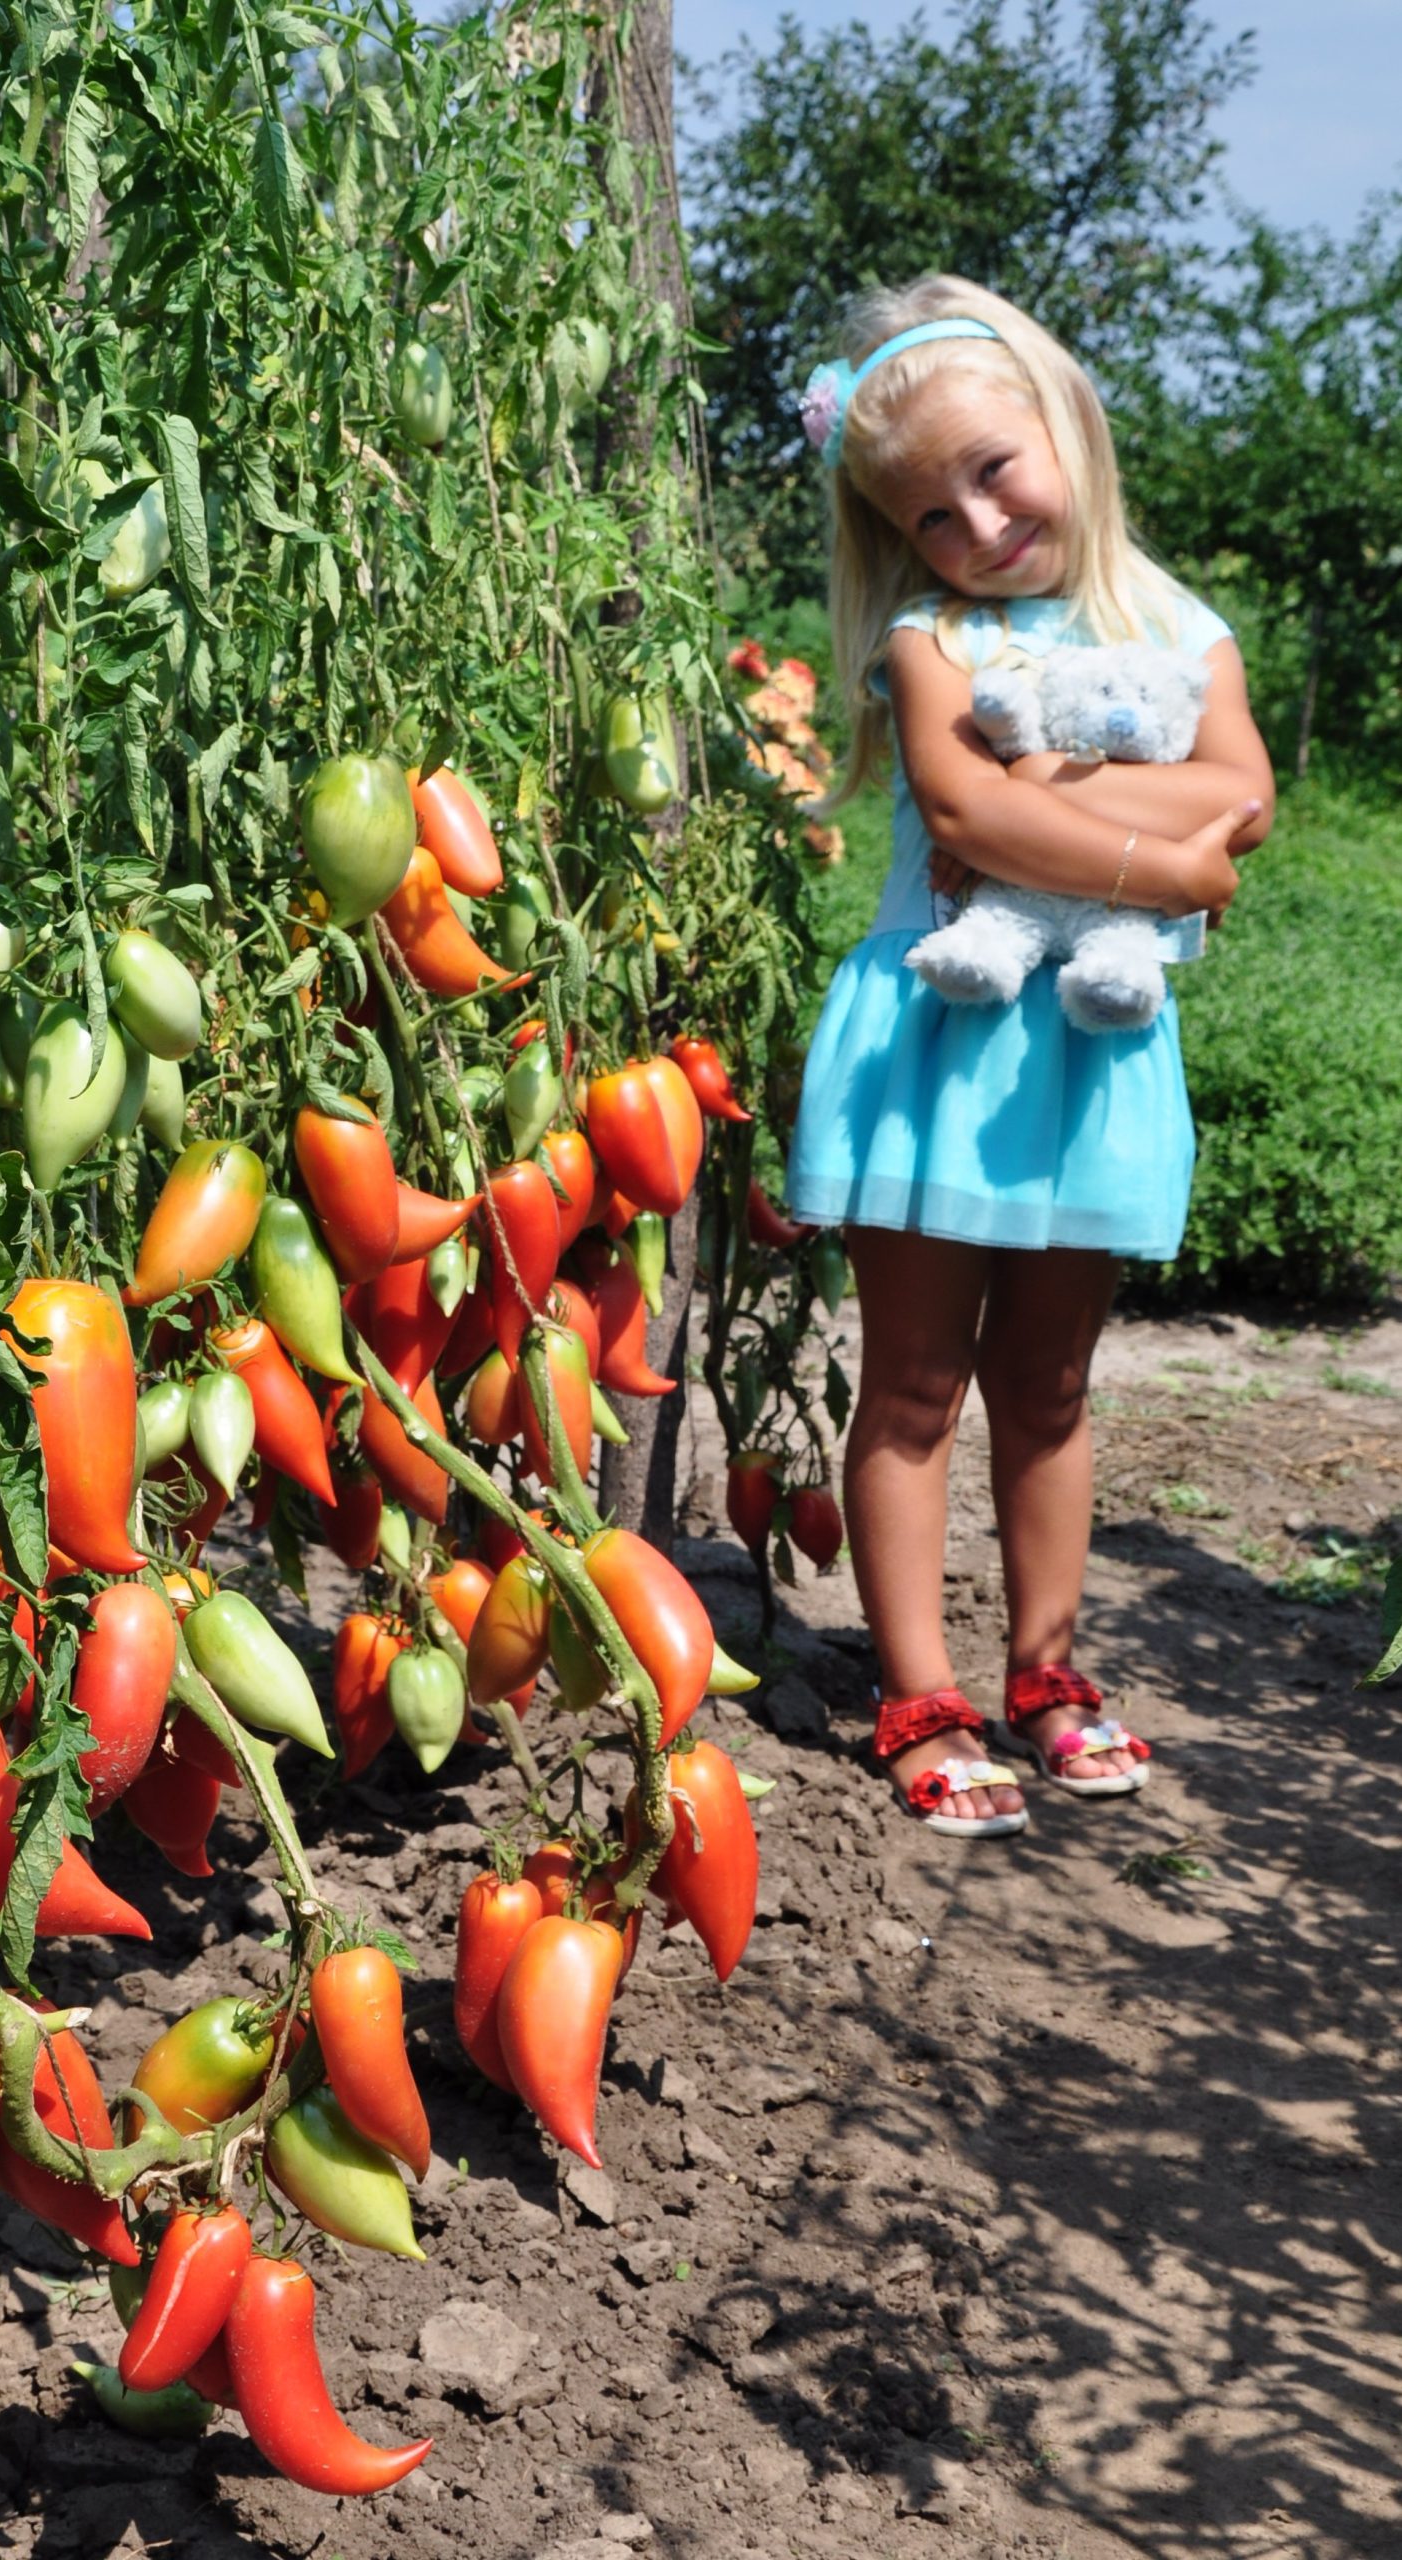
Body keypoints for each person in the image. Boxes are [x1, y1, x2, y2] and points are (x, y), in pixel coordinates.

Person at [787, 277, 1274, 1837]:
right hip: (946, 1037)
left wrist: (1085, 795)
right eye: (928, 514)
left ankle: (1050, 1670)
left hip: (1087, 1046)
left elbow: (1243, 800)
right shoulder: (933, 641)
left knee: (1052, 1388)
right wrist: (1168, 859)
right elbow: (964, 816)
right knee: (917, 1384)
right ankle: (920, 1688)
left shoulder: (1186, 630)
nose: (975, 525)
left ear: (1065, 419)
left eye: (993, 470)